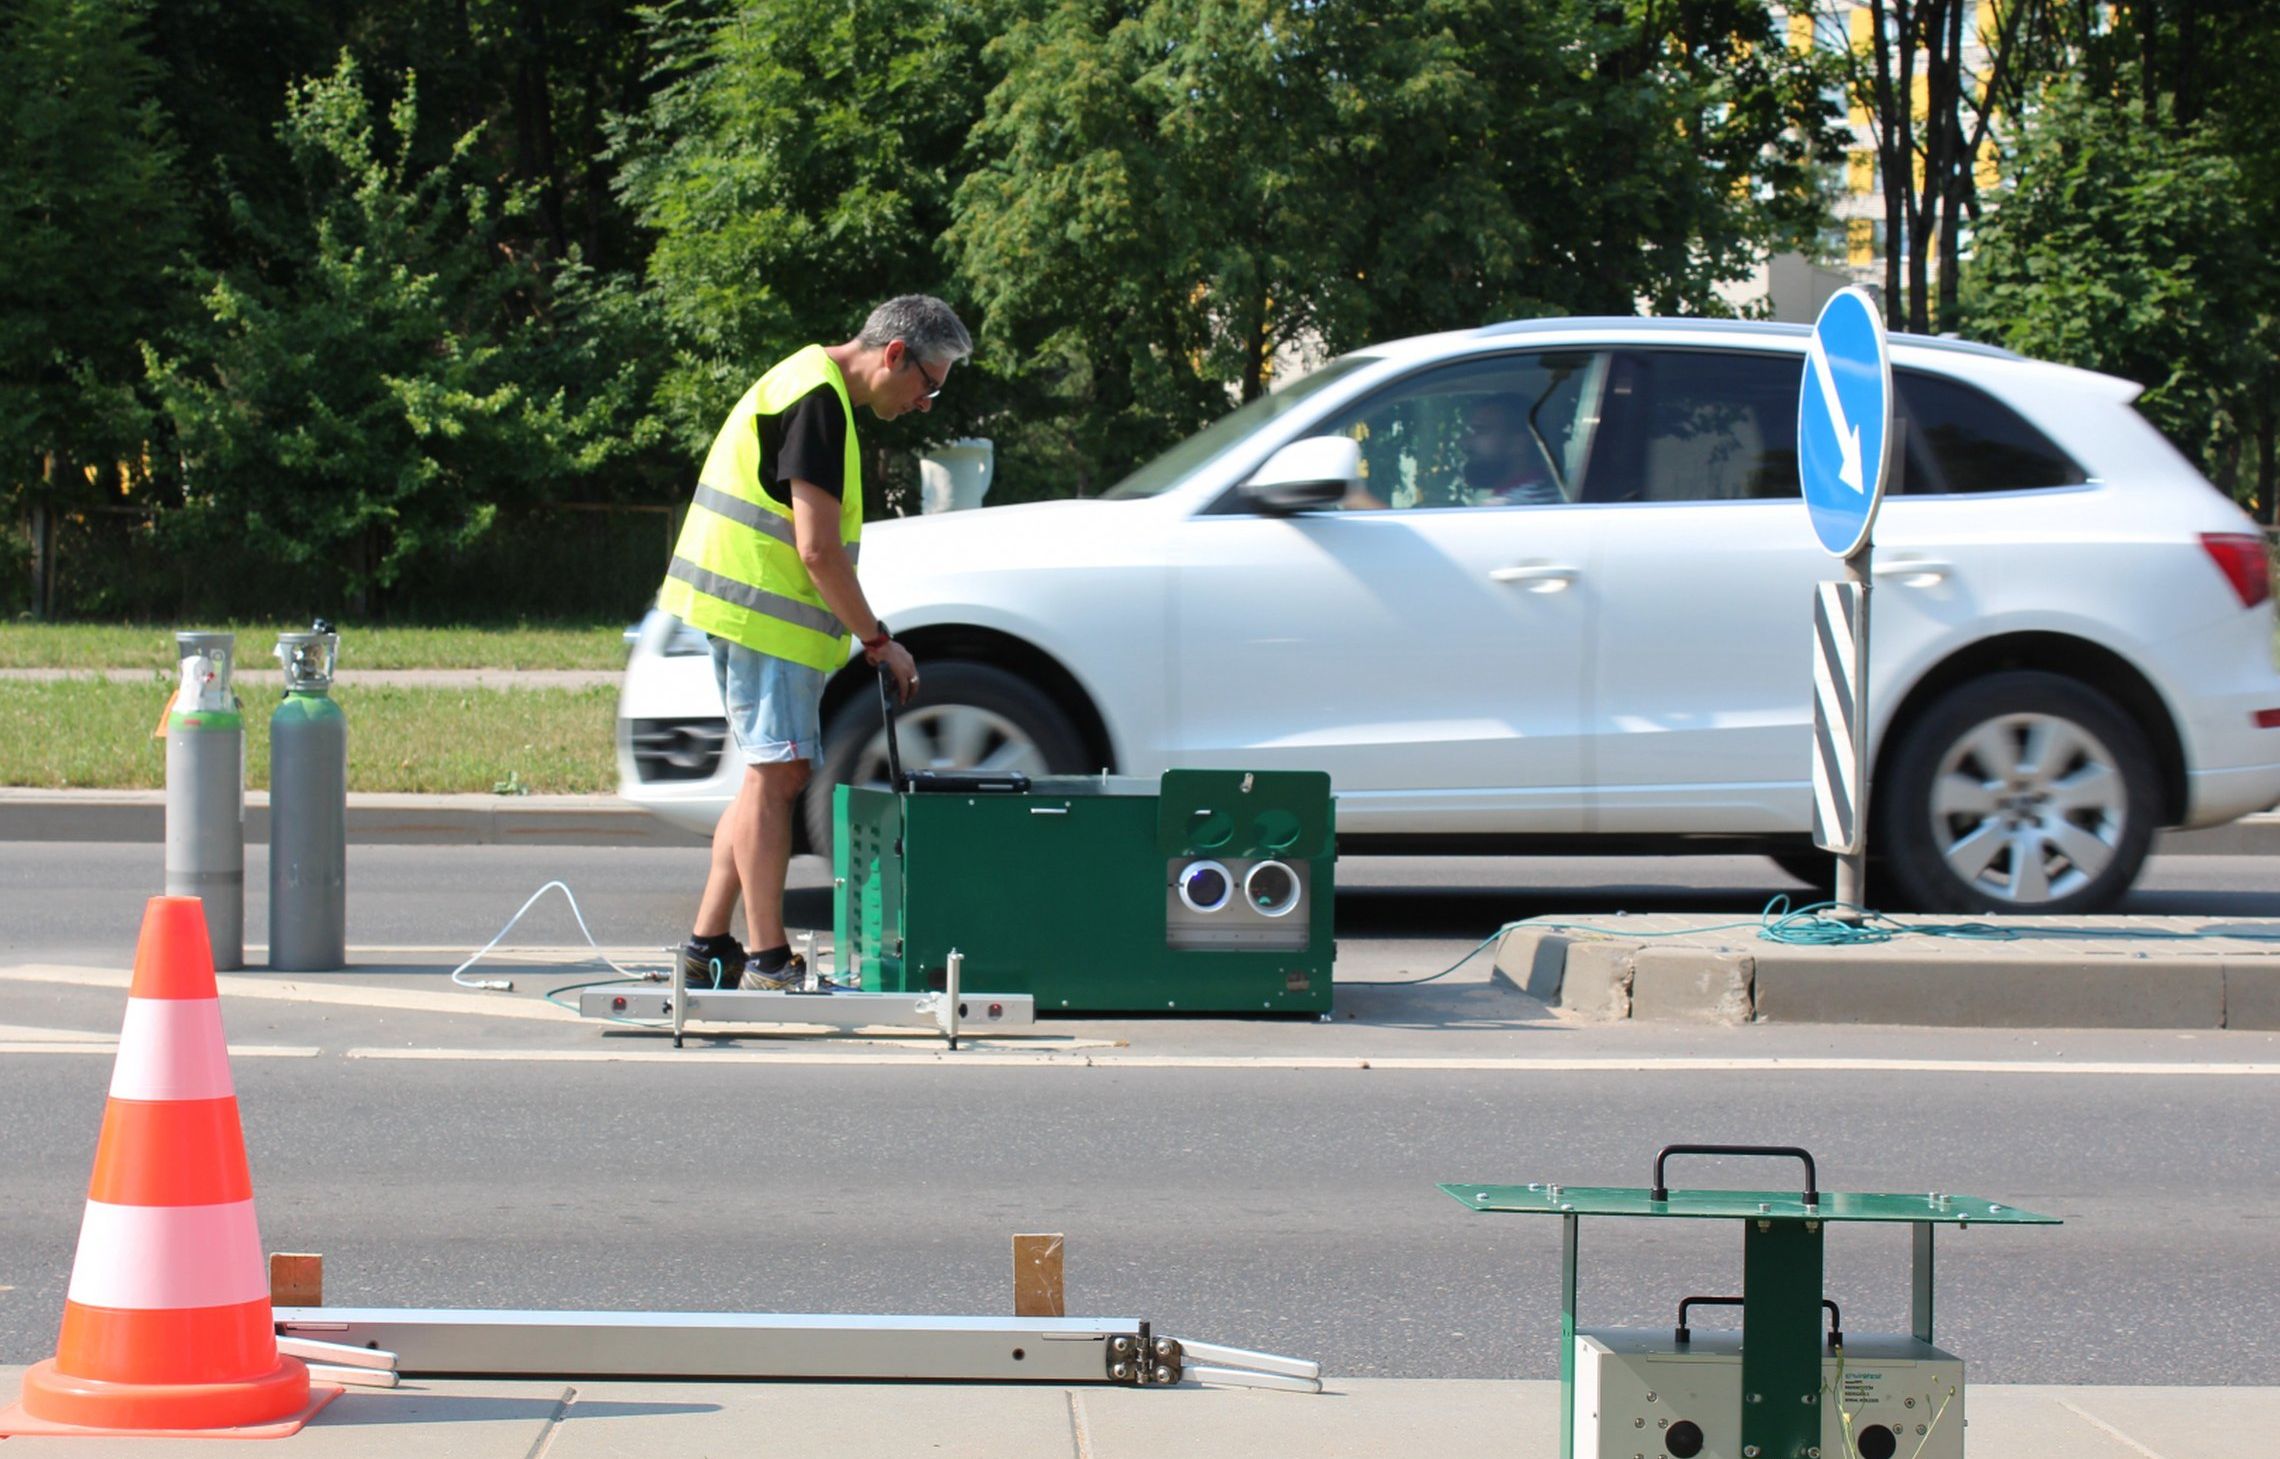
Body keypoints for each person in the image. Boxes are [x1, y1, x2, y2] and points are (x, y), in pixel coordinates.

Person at [659, 295, 971, 991]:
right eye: (929, 383)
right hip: (763, 615)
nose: (927, 403)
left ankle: (708, 945)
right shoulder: (818, 402)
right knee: (778, 780)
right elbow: (818, 549)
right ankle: (768, 959)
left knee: (766, 780)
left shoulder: (808, 383)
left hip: (752, 611)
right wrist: (879, 641)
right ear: (895, 354)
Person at [1460, 393, 1563, 505]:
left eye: (1480, 431)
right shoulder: (1546, 495)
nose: (1465, 443)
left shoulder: (1514, 505)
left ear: (1520, 443)